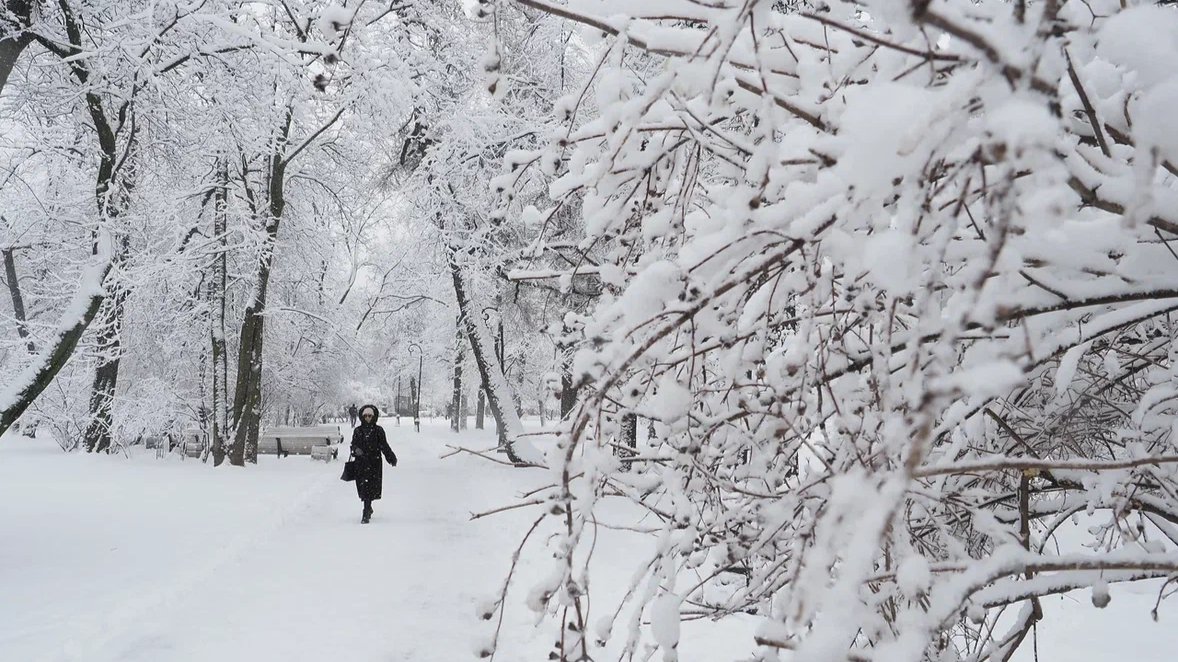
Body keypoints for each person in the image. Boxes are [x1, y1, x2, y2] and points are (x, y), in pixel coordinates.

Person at [348, 404, 397, 523]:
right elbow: (353, 445)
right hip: (361, 463)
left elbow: (384, 445)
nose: (368, 418)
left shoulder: (378, 430)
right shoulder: (358, 430)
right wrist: (356, 450)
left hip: (374, 462)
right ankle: (367, 507)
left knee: (371, 487)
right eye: (365, 416)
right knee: (363, 487)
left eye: (370, 415)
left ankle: (366, 510)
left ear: (374, 416)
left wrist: (391, 457)